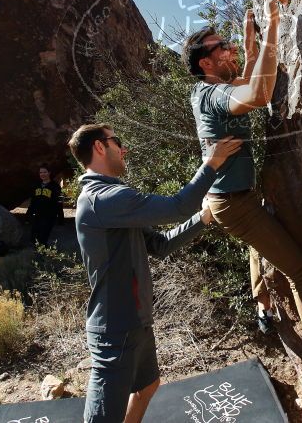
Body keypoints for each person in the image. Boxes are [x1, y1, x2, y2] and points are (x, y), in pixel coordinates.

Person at [182, 0, 302, 405]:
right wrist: (272, 26)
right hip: (234, 204)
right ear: (206, 62)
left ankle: (261, 303)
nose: (231, 49)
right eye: (223, 48)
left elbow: (249, 80)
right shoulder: (214, 95)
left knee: (266, 240)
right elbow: (257, 93)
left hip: (237, 199)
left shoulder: (205, 90)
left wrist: (251, 47)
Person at [68, 123, 242, 423]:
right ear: (99, 147)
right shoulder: (102, 198)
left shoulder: (112, 201)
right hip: (115, 328)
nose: (124, 150)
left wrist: (202, 219)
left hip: (135, 320)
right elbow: (176, 207)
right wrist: (211, 163)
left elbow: (160, 245)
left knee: (148, 385)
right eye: (117, 141)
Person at [28, 164, 64, 246]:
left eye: (45, 172)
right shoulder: (36, 186)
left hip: (49, 216)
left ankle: (43, 256)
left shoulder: (55, 187)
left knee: (43, 238)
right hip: (37, 215)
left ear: (49, 173)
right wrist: (29, 214)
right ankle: (35, 256)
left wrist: (61, 217)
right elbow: (33, 201)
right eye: (41, 172)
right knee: (33, 237)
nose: (42, 174)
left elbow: (59, 202)